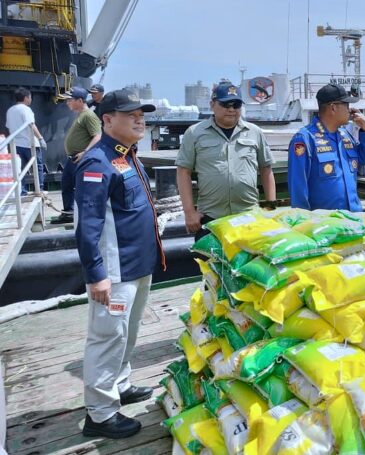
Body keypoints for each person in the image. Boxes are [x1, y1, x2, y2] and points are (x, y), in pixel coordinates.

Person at [75, 89, 165, 439]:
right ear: (108, 120)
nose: (139, 119)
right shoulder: (96, 162)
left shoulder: (127, 156)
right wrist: (96, 275)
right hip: (114, 274)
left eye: (141, 113)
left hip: (137, 266)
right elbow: (88, 224)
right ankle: (99, 413)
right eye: (130, 114)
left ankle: (120, 385)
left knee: (128, 333)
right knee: (106, 337)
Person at [177, 82, 276, 241]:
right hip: (211, 219)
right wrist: (189, 213)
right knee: (210, 264)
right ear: (212, 105)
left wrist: (271, 207)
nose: (231, 109)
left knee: (250, 265)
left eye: (236, 105)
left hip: (249, 216)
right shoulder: (195, 133)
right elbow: (183, 172)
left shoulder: (255, 132)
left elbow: (266, 169)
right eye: (225, 104)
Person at [288, 83, 365, 211]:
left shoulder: (345, 135)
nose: (350, 110)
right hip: (325, 224)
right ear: (333, 108)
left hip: (354, 218)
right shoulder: (305, 139)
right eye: (346, 105)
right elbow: (298, 188)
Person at [52, 87, 101, 224]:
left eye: (69, 100)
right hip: (73, 159)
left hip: (81, 159)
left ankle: (84, 214)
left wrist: (85, 152)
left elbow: (97, 136)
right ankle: (69, 212)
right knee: (67, 184)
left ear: (80, 100)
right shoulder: (80, 115)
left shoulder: (89, 116)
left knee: (82, 187)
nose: (67, 102)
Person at [4, 87, 46, 194]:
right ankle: (39, 188)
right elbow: (31, 125)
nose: (31, 99)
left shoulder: (10, 110)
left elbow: (9, 128)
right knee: (37, 167)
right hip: (29, 144)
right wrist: (41, 138)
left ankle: (22, 191)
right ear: (26, 98)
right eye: (30, 97)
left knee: (20, 169)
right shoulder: (26, 109)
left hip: (16, 145)